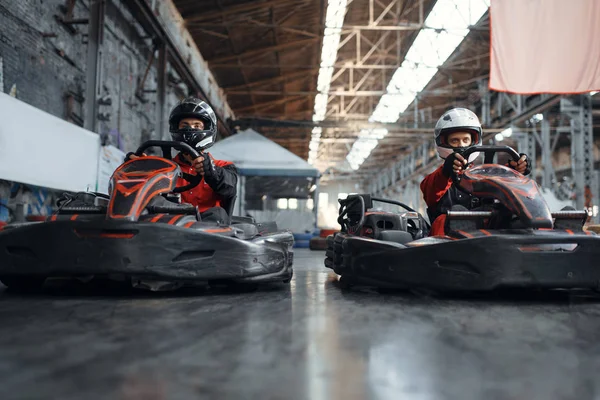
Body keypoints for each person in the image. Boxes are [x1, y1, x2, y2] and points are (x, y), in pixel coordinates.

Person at [420, 107, 531, 236]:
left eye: (465, 140)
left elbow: (497, 181)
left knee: (512, 211)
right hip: (448, 241)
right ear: (444, 143)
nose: (461, 145)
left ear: (474, 141)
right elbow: (431, 189)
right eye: (455, 141)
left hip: (489, 238)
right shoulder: (437, 179)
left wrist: (515, 169)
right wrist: (447, 171)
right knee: (458, 212)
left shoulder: (482, 175)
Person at [127, 97, 237, 223]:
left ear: (206, 129)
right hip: (168, 227)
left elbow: (229, 188)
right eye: (185, 125)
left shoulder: (224, 166)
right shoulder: (164, 168)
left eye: (197, 126)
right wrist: (135, 168)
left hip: (207, 232)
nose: (190, 129)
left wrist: (211, 171)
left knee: (218, 213)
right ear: (176, 128)